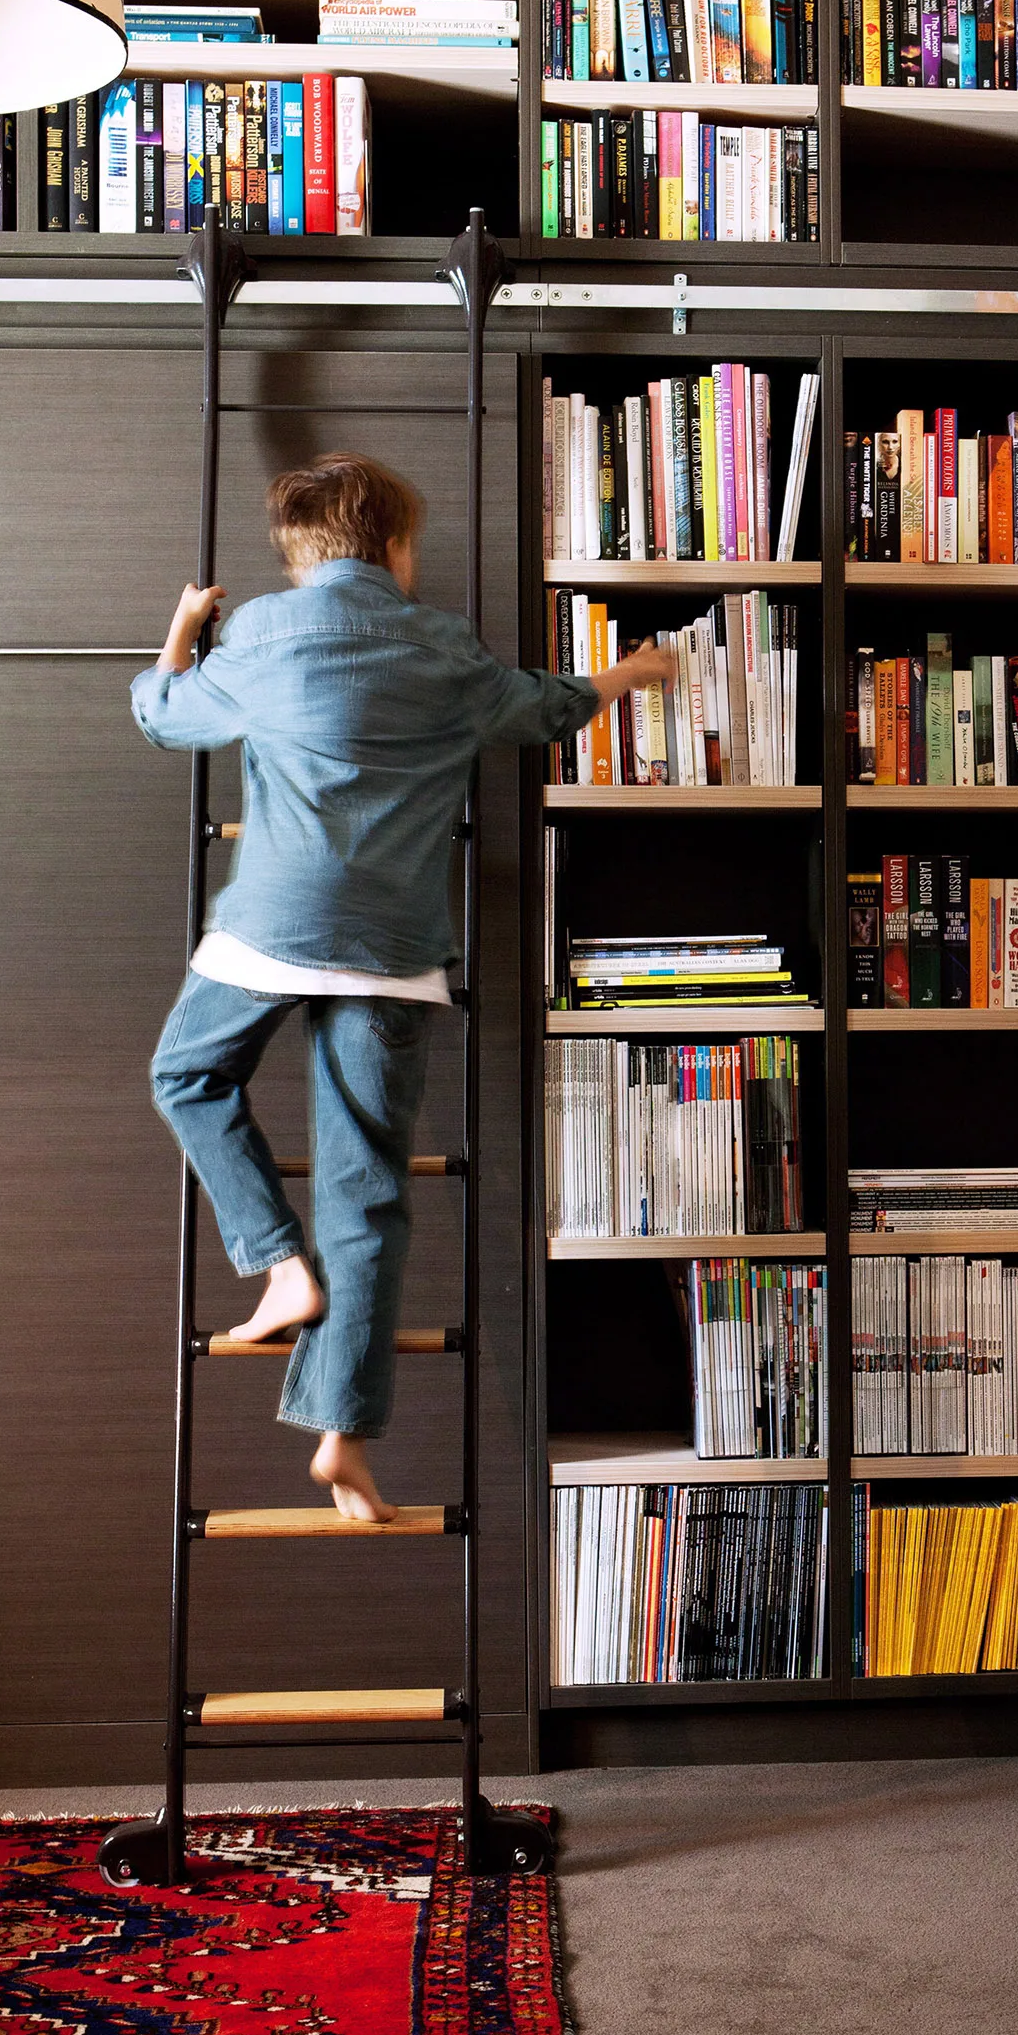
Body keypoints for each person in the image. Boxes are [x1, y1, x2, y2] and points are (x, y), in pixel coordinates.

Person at [132, 452, 670, 1523]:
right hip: (393, 948)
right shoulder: (448, 649)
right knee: (369, 1192)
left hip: (271, 928)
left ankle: (275, 1262)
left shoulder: (259, 637)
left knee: (188, 1077)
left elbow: (158, 713)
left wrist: (187, 625)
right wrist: (630, 677)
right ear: (395, 546)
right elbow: (547, 709)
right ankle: (343, 1434)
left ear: (298, 553)